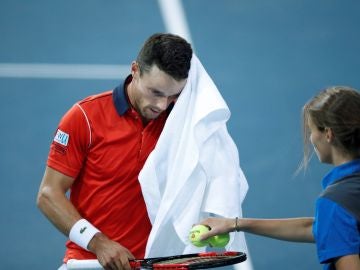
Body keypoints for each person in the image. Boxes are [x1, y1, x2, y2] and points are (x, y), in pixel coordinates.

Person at [37, 33, 193, 270]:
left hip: (155, 264)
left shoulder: (181, 124)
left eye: (173, 96)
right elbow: (49, 194)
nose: (162, 105)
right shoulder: (85, 118)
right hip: (89, 263)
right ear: (135, 70)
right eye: (156, 92)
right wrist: (98, 242)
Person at [197, 86, 360, 270]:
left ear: (328, 134)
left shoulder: (335, 203)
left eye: (311, 129)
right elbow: (317, 227)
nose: (311, 137)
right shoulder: (341, 203)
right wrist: (234, 224)